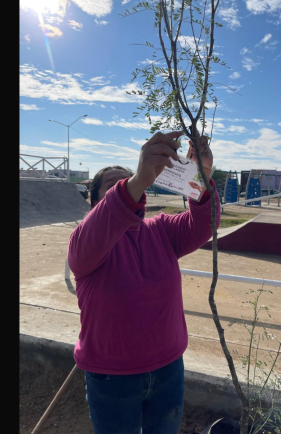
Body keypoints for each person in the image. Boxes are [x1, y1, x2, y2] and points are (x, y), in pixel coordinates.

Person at [68, 129, 216, 434]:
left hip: (168, 369)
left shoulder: (161, 229)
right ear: (95, 203)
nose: (127, 188)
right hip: (111, 377)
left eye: (129, 181)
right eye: (114, 187)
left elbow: (203, 225)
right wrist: (136, 180)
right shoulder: (85, 243)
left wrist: (200, 176)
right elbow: (99, 228)